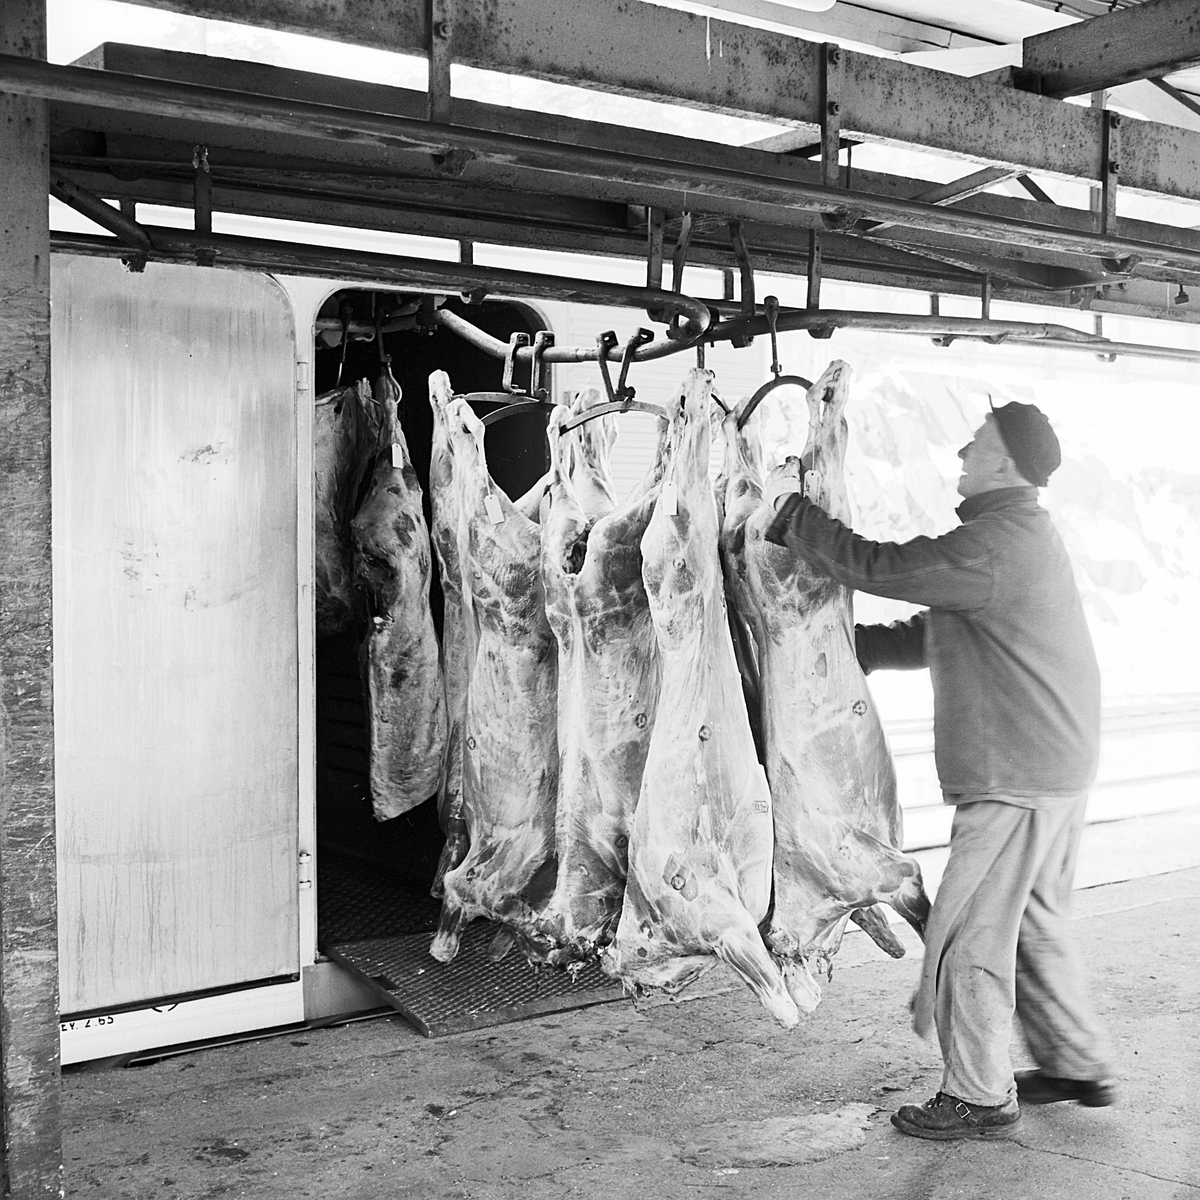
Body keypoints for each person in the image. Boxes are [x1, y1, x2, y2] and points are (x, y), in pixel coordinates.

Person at [764, 400, 1116, 1141]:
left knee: (969, 936)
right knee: (1032, 924)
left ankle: (979, 1095)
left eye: (975, 443)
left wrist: (795, 517)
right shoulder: (1014, 541)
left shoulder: (994, 543)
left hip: (1015, 777)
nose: (962, 452)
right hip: (1052, 764)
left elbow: (885, 567)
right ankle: (1076, 1062)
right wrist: (854, 649)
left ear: (1005, 462)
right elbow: (943, 628)